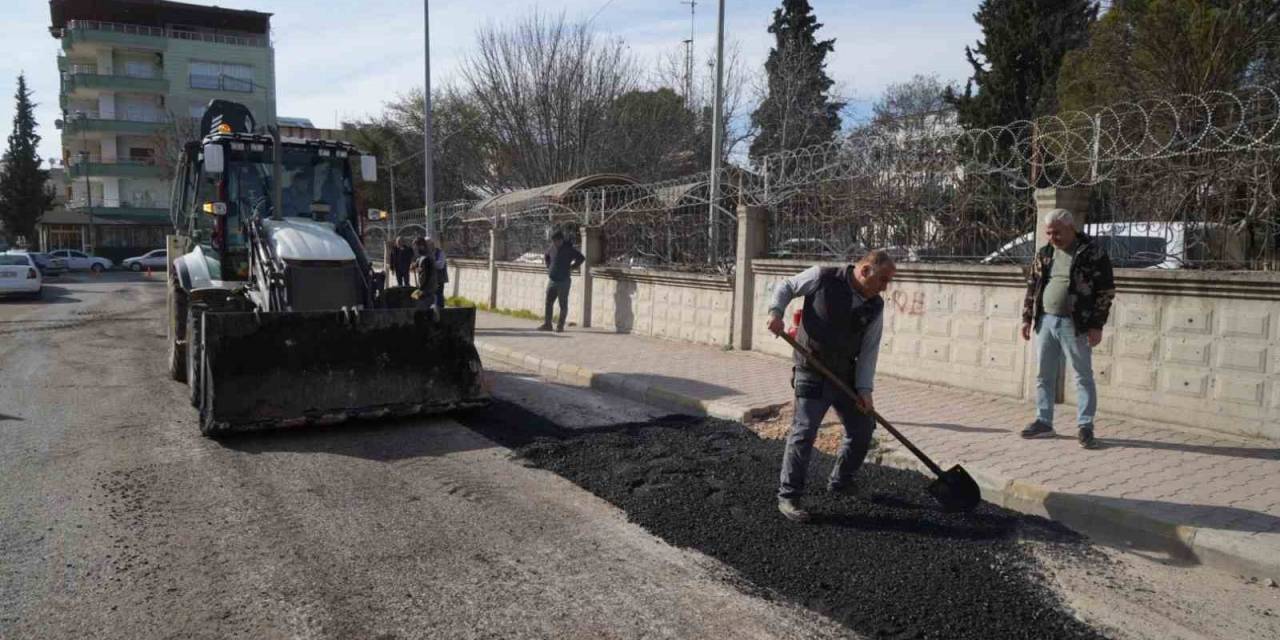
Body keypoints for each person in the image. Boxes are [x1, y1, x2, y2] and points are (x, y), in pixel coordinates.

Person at [766, 250, 896, 523]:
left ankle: (841, 481)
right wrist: (776, 312)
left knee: (862, 428)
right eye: (883, 280)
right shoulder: (823, 276)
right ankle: (789, 496)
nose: (885, 287)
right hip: (811, 369)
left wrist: (864, 390)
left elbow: (869, 350)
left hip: (845, 374)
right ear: (864, 272)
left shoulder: (875, 306)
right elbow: (787, 286)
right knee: (804, 432)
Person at [1020, 208, 1115, 450]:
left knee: (1082, 375)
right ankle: (1044, 421)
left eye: (1057, 233)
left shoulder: (1093, 253)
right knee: (1043, 374)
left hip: (1077, 324)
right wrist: (1027, 318)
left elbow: (1105, 291)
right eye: (1049, 233)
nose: (1053, 237)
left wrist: (1096, 325)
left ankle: (1085, 425)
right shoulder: (1045, 253)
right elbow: (1033, 286)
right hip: (1046, 321)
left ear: (1071, 228)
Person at [539, 231, 585, 332]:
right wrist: (549, 266)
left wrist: (572, 267)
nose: (555, 243)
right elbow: (546, 255)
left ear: (561, 240)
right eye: (553, 241)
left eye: (556, 241)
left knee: (563, 304)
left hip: (563, 281)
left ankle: (560, 326)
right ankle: (548, 324)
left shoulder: (568, 249)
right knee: (548, 302)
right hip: (552, 280)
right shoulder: (552, 247)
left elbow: (581, 258)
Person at [411, 237, 441, 314]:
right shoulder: (425, 256)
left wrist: (420, 289)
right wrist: (415, 265)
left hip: (427, 288)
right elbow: (418, 263)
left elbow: (426, 276)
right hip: (429, 287)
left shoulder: (425, 258)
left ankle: (432, 312)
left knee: (422, 307)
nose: (415, 250)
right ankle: (433, 309)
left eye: (416, 248)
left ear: (421, 246)